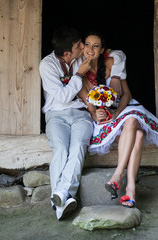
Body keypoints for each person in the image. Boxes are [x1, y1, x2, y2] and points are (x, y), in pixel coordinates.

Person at [78, 31, 158, 208]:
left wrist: (117, 114)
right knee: (137, 136)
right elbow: (90, 108)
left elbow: (126, 95)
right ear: (82, 47)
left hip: (126, 109)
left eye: (96, 46)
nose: (90, 49)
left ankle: (118, 174)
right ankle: (130, 190)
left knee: (131, 120)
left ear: (102, 50)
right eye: (87, 44)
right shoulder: (80, 74)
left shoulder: (112, 64)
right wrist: (96, 115)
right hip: (107, 118)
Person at [39, 27, 126, 220]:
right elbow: (62, 96)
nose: (85, 48)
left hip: (81, 114)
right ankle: (63, 198)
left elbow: (117, 54)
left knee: (78, 146)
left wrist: (117, 75)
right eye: (80, 45)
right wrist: (78, 75)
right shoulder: (47, 65)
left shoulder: (81, 59)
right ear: (69, 52)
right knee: (61, 149)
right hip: (56, 114)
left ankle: (60, 198)